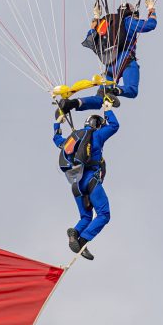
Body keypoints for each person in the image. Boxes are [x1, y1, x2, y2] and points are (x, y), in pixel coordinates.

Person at [58, 0, 157, 115]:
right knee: (131, 90)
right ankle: (114, 91)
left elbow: (90, 37)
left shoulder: (105, 23)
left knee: (100, 99)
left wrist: (96, 17)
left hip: (110, 65)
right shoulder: (127, 21)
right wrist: (152, 9)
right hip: (125, 61)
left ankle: (71, 104)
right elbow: (150, 25)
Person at [53, 108, 119, 259]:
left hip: (76, 183)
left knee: (86, 217)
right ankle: (82, 240)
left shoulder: (73, 137)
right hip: (91, 180)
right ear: (97, 125)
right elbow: (114, 126)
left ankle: (75, 232)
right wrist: (108, 109)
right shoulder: (98, 135)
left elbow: (57, 140)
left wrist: (57, 124)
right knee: (103, 214)